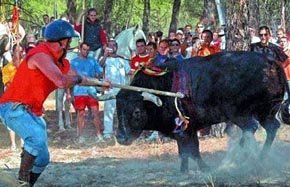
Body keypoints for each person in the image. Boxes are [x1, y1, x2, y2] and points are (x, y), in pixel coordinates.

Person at [0, 19, 110, 186]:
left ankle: (27, 184)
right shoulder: (40, 54)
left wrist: (99, 83)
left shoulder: (62, 62)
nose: (70, 45)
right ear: (61, 41)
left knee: (43, 159)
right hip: (13, 107)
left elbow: (79, 78)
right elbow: (61, 81)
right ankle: (21, 181)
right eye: (69, 41)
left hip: (31, 112)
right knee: (35, 139)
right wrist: (78, 79)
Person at [70, 42, 103, 144]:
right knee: (81, 114)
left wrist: (97, 77)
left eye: (87, 50)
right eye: (84, 49)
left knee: (95, 113)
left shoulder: (92, 61)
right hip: (79, 91)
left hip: (91, 91)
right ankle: (80, 136)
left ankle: (98, 135)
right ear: (80, 49)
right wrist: (69, 93)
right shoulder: (73, 63)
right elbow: (70, 79)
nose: (86, 52)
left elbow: (100, 72)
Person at [99, 39, 130, 143]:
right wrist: (105, 55)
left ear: (117, 47)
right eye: (110, 45)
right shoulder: (104, 59)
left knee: (123, 112)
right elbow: (99, 67)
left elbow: (129, 72)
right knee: (109, 111)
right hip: (110, 89)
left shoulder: (123, 60)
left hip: (122, 89)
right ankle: (108, 133)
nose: (112, 47)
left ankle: (123, 132)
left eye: (114, 45)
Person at [2, 44, 25, 151]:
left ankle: (23, 141)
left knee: (23, 119)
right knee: (12, 119)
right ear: (12, 52)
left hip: (24, 97)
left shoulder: (26, 66)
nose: (18, 53)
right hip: (11, 97)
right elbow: (7, 84)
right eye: (16, 51)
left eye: (20, 51)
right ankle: (13, 144)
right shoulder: (7, 68)